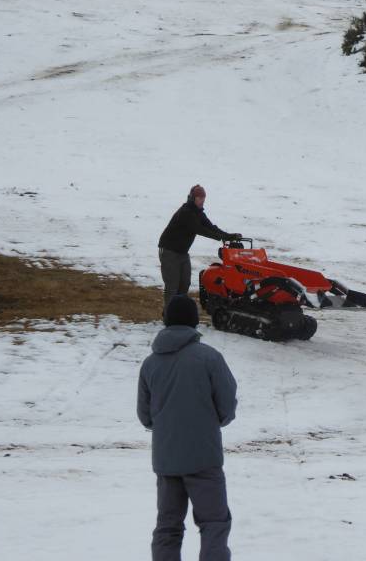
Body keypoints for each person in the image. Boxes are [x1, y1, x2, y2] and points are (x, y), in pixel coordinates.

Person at [137, 295, 238, 561]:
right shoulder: (210, 358)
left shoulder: (150, 364)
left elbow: (145, 416)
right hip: (204, 457)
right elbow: (227, 407)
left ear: (166, 321)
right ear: (194, 322)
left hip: (166, 460)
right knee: (214, 524)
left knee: (168, 528)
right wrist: (206, 423)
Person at [158, 185, 241, 315]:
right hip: (169, 251)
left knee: (184, 284)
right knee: (172, 287)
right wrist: (219, 238)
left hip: (182, 253)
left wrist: (228, 236)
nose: (202, 201)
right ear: (192, 198)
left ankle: (177, 315)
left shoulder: (198, 212)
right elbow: (199, 229)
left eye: (203, 198)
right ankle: (169, 317)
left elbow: (210, 227)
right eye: (199, 198)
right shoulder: (186, 212)